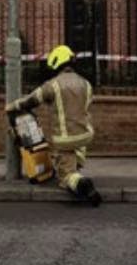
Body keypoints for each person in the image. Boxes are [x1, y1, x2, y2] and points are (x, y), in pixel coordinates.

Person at [5, 44, 101, 205]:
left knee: (65, 175)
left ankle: (79, 182)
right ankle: (75, 165)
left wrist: (13, 106)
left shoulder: (53, 85)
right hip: (86, 134)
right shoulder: (86, 83)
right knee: (74, 149)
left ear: (57, 61)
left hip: (65, 138)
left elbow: (32, 100)